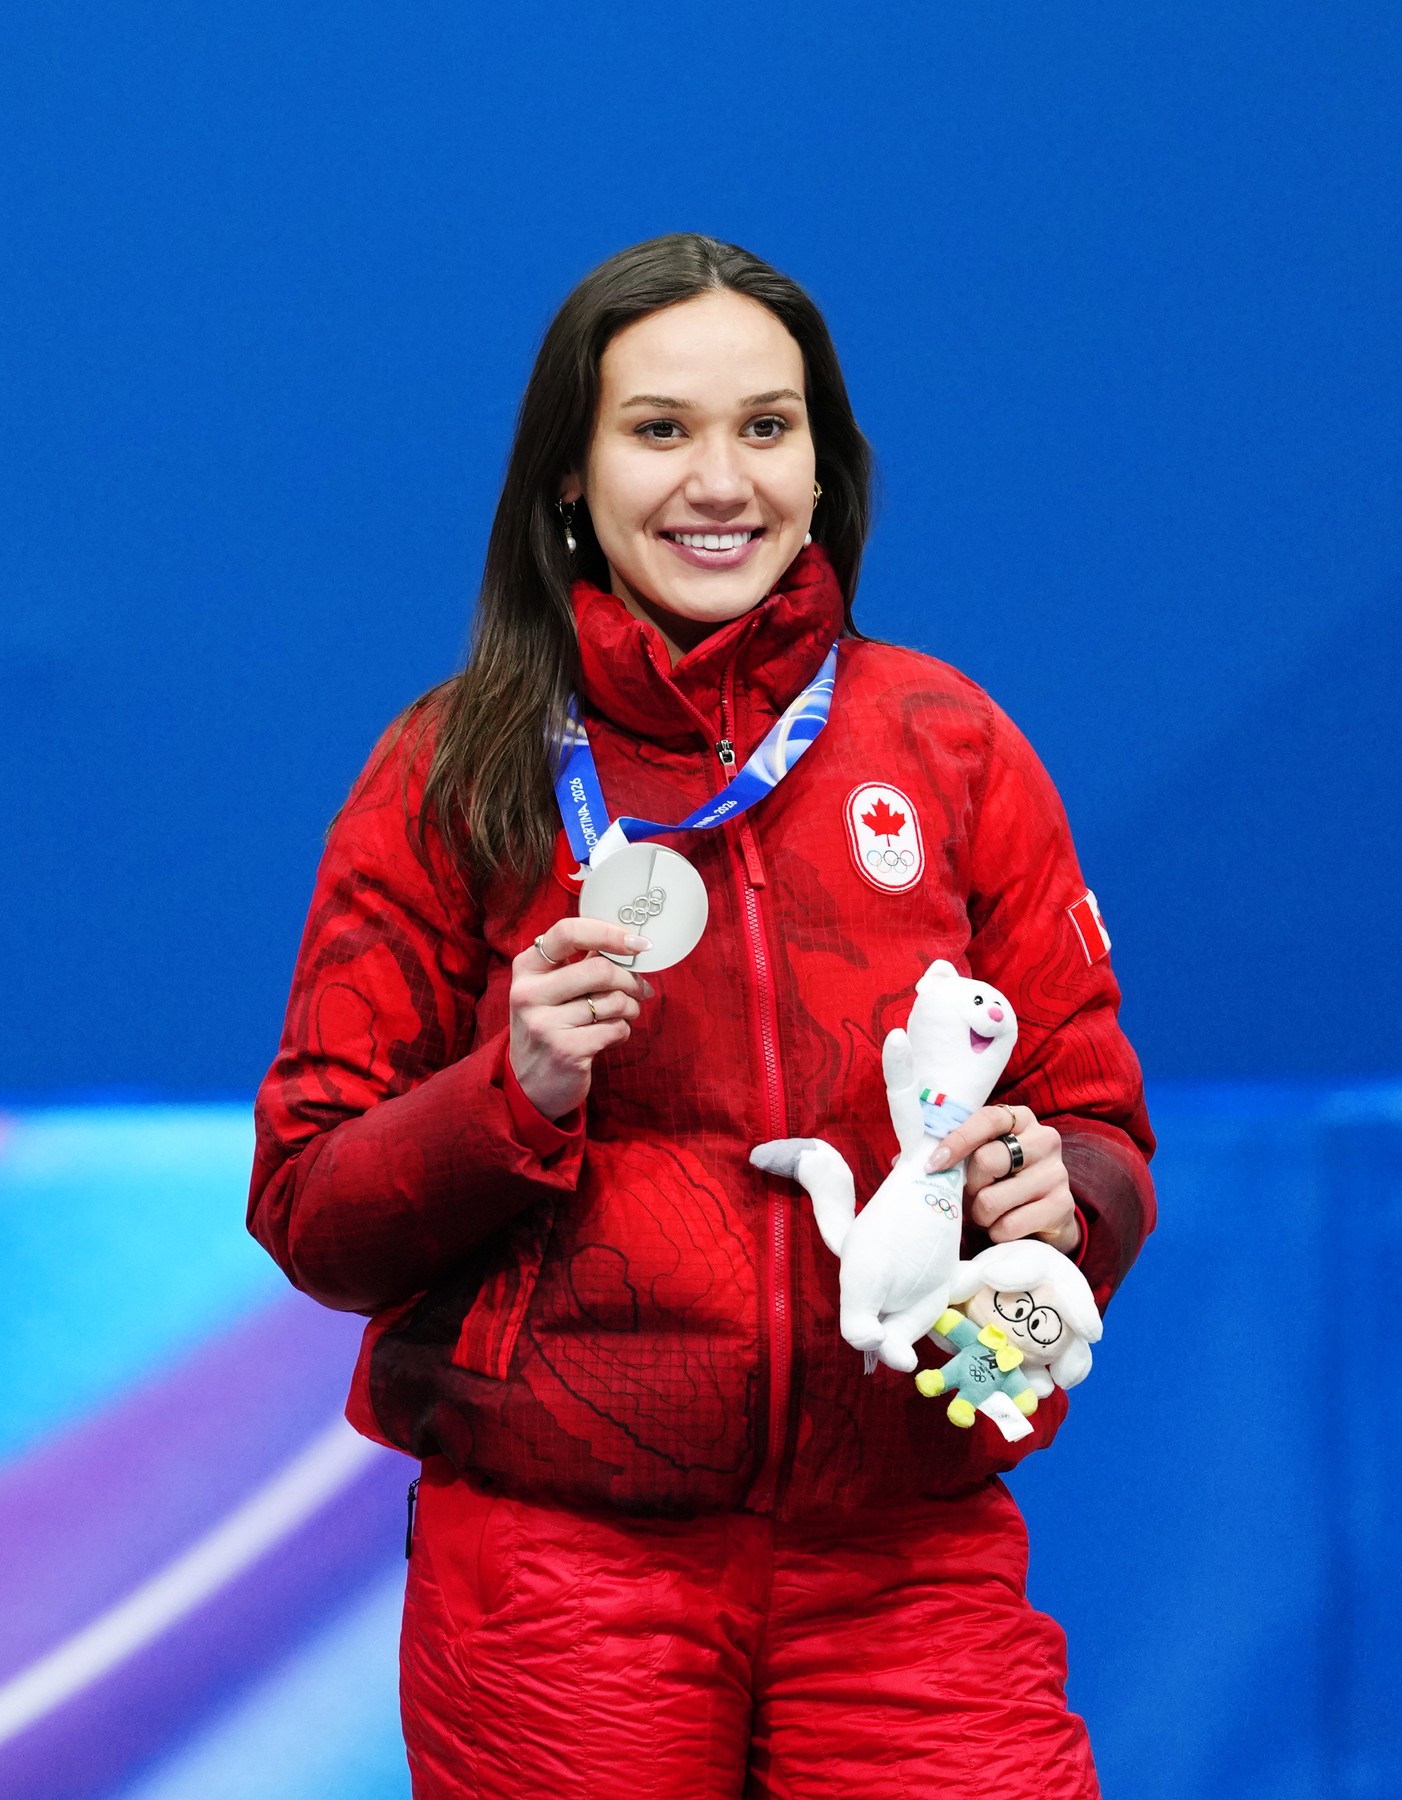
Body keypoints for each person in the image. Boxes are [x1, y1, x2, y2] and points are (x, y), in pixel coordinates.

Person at [249, 233, 1155, 1799]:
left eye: (766, 426)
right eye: (659, 429)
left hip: (906, 1558)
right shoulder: (449, 776)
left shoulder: (950, 747)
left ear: (822, 465)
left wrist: (1054, 1191)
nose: (720, 481)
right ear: (569, 475)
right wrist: (513, 1091)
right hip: (560, 1574)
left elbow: (1104, 1134)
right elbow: (312, 1208)